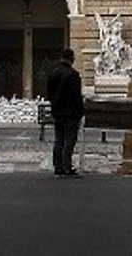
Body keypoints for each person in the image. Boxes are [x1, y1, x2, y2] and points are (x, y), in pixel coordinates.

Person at [47, 48, 84, 177]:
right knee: (69, 140)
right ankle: (67, 167)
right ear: (71, 58)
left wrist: (54, 106)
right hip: (70, 112)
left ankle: (58, 166)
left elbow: (49, 93)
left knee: (59, 140)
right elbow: (76, 96)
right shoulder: (73, 74)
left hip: (57, 111)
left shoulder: (53, 72)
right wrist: (80, 111)